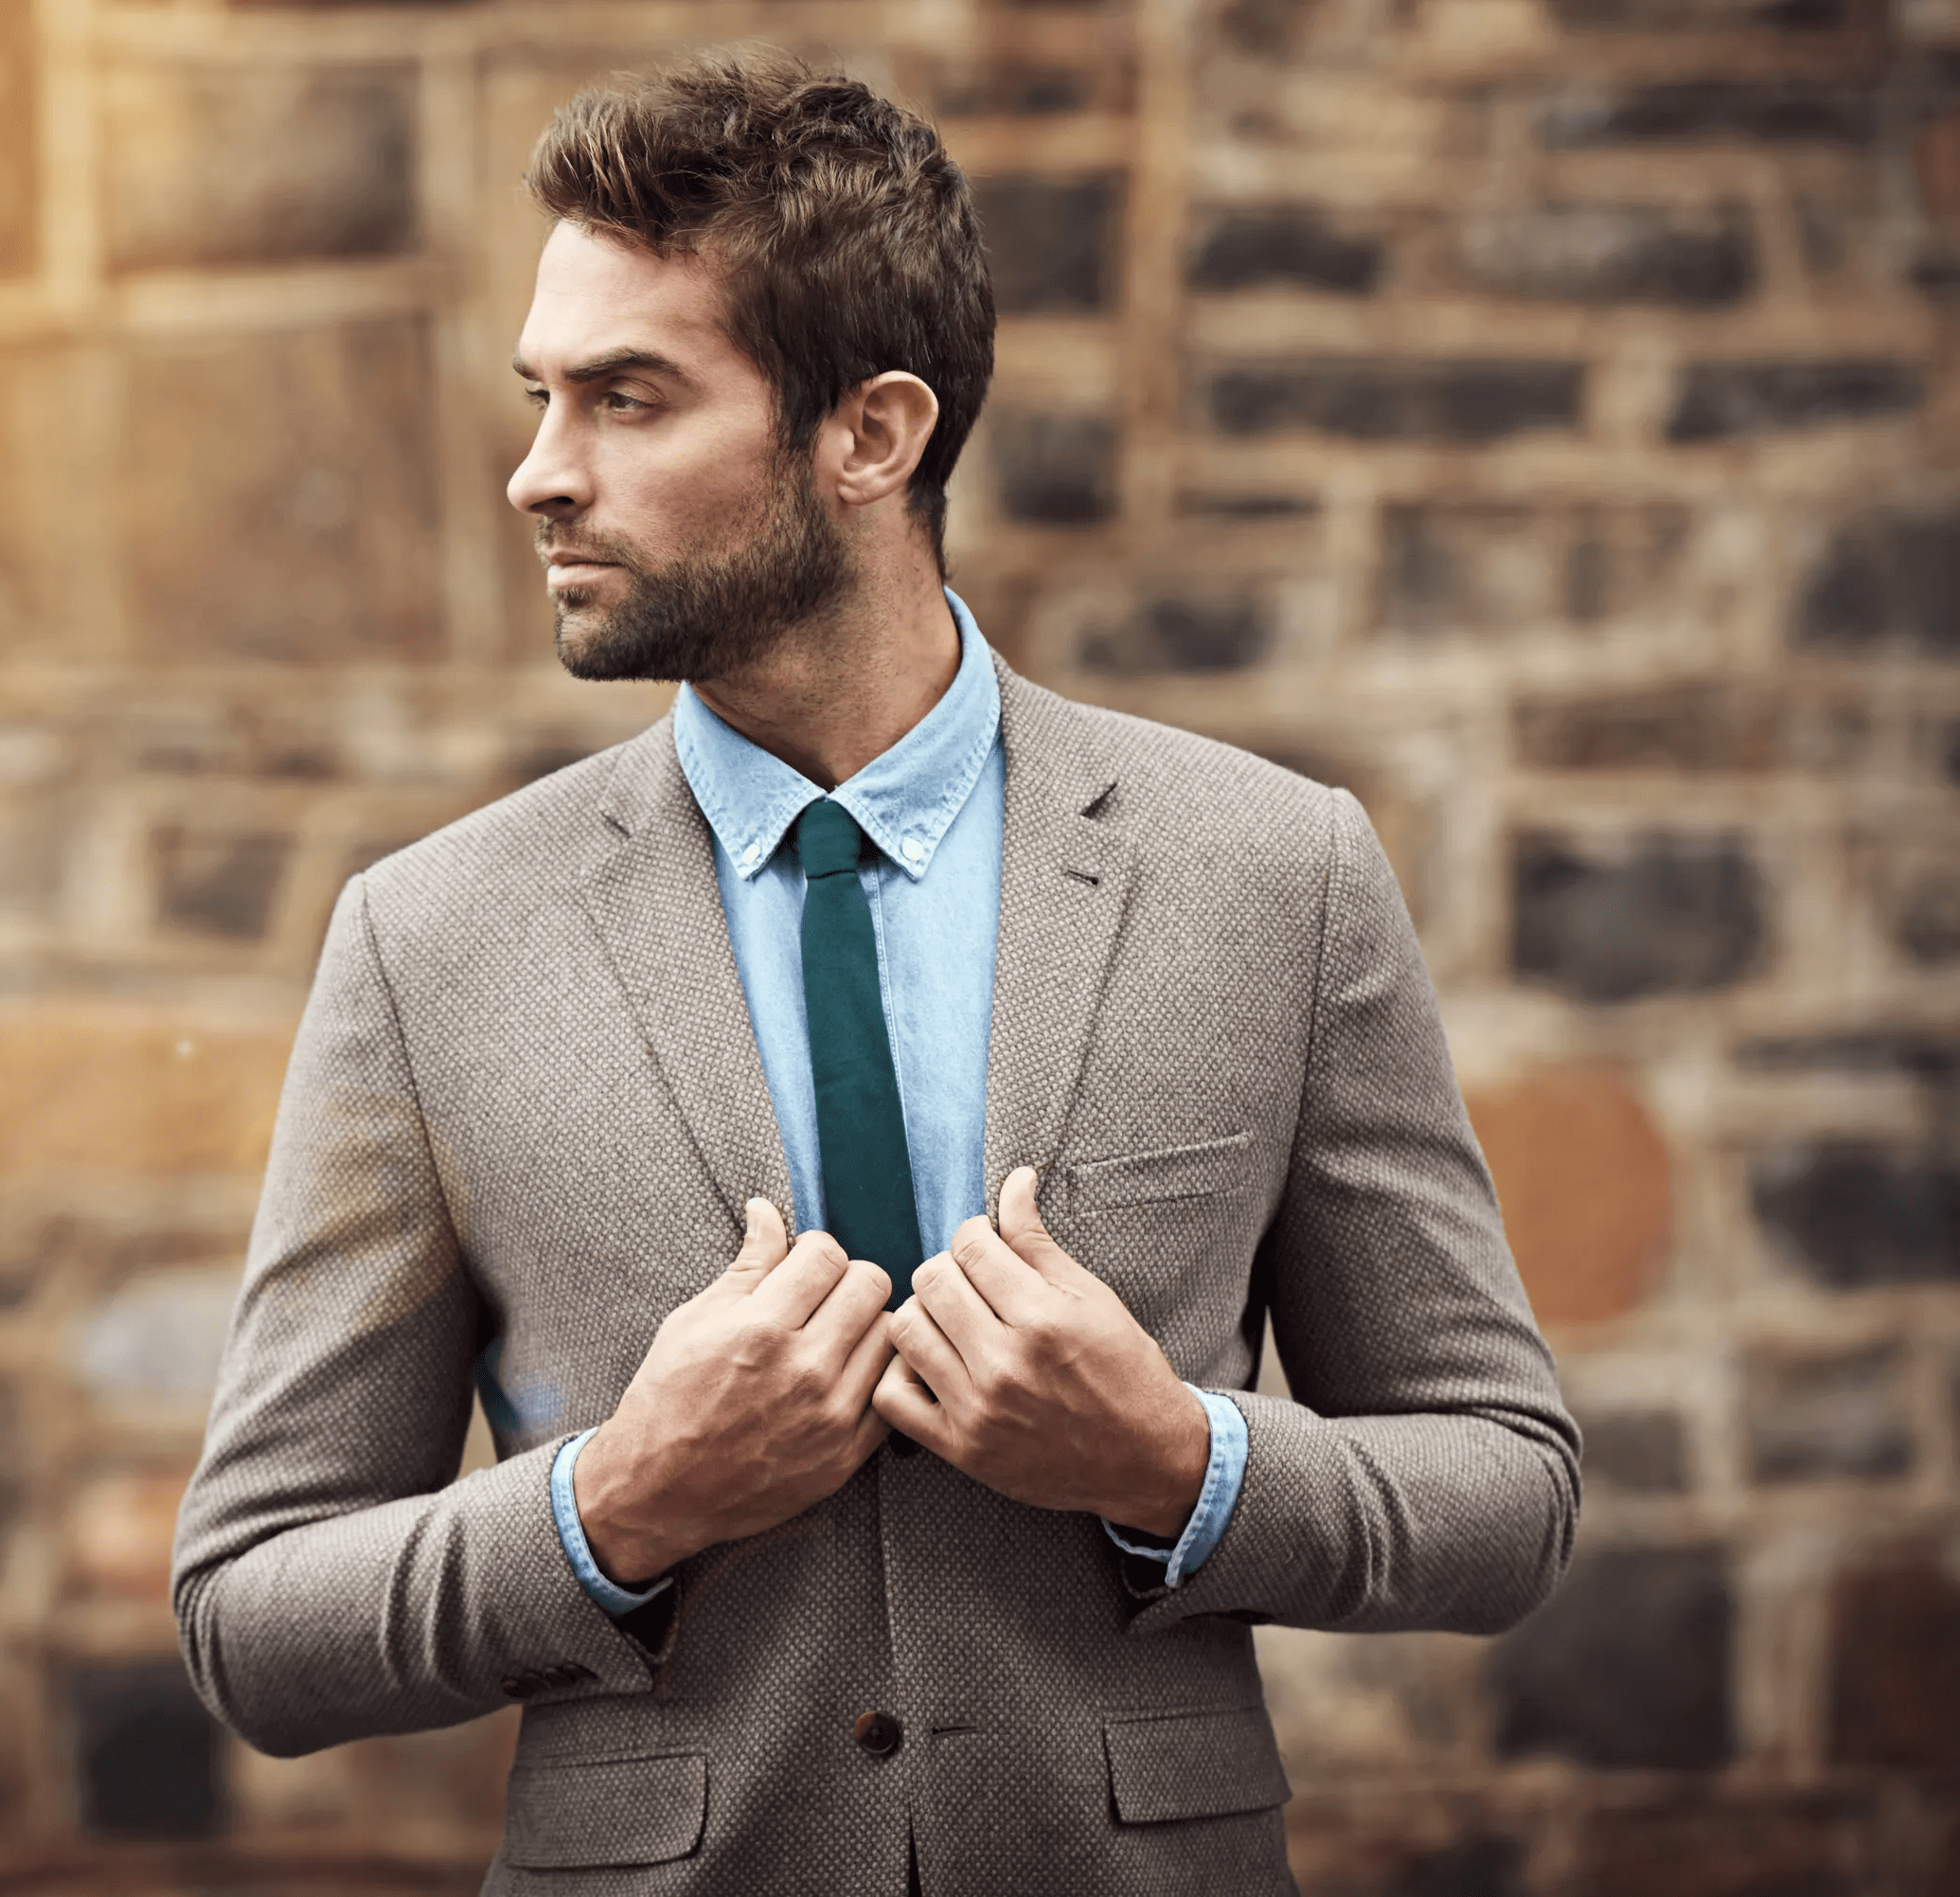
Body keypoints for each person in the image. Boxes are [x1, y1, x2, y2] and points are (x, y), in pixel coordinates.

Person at [171, 47, 1577, 1895]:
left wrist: (1178, 1455)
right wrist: (616, 1504)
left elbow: (1507, 1487)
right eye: (542, 397)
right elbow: (251, 1613)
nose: (539, 474)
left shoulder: (1270, 872)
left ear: (871, 434)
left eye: (628, 398)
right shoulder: (429, 940)